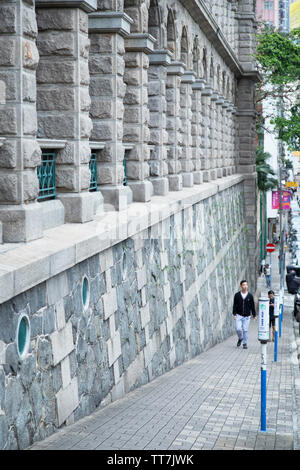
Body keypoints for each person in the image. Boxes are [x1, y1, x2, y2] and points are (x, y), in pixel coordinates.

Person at [232, 280, 257, 350]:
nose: (245, 286)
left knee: (245, 330)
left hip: (247, 316)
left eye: (246, 285)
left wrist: (254, 315)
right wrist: (234, 314)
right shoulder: (237, 295)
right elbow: (234, 305)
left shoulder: (250, 296)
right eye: (243, 285)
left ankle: (245, 343)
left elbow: (252, 306)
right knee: (238, 329)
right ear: (241, 286)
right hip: (239, 315)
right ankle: (240, 338)